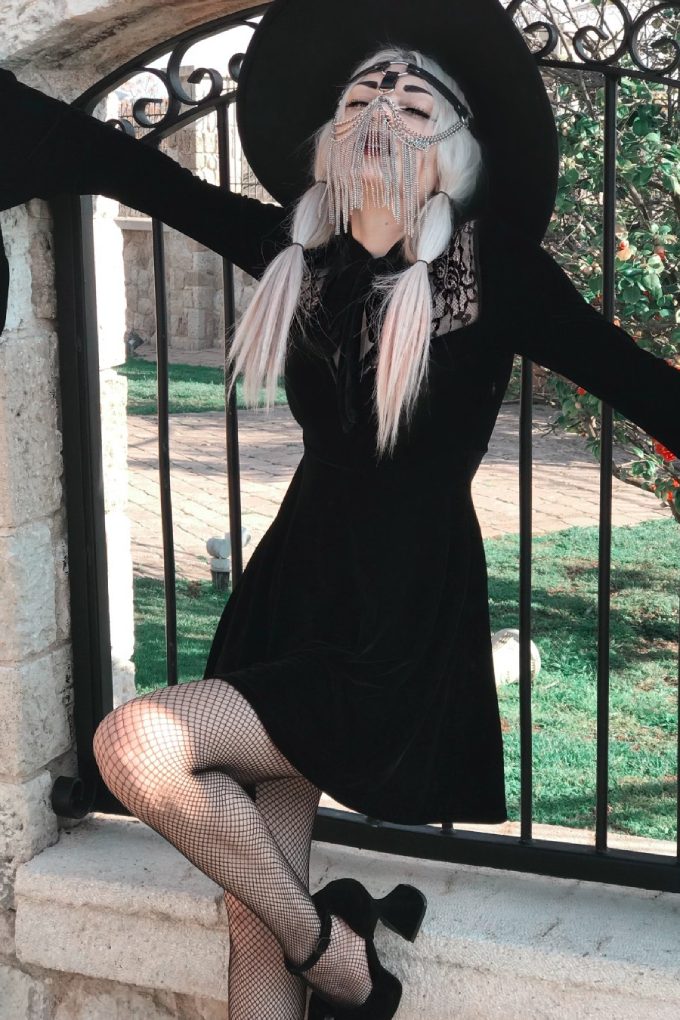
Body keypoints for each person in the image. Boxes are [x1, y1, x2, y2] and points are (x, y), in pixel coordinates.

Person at [1, 1, 679, 1018]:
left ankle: (339, 956)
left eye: (412, 102)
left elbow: (636, 381)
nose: (379, 111)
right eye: (361, 96)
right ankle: (329, 947)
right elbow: (134, 172)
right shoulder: (296, 251)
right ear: (325, 137)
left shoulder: (493, 271)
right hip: (292, 590)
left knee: (133, 745)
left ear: (453, 148)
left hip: (398, 621)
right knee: (251, 914)